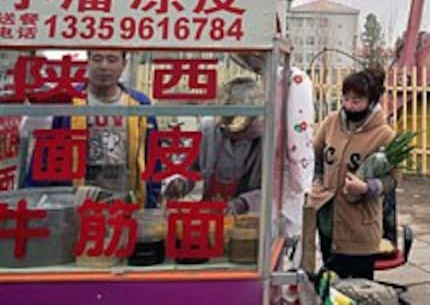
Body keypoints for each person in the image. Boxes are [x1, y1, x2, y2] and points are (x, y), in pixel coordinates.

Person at [162, 71, 314, 234]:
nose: (230, 134)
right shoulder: (208, 130)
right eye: (226, 129)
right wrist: (178, 182)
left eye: (238, 130)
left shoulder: (271, 139)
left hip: (251, 225)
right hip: (209, 219)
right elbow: (188, 168)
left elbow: (276, 190)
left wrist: (243, 203)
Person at [22, 50, 160, 207]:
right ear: (87, 62)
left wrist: (152, 202)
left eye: (112, 59)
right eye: (97, 59)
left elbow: (152, 156)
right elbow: (44, 155)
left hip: (124, 204)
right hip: (74, 205)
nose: (104, 66)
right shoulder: (67, 100)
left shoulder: (139, 104)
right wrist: (32, 202)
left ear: (124, 64)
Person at [307, 68, 397, 280]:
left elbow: (393, 179)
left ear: (371, 101)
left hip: (360, 226)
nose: (349, 106)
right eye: (346, 99)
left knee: (357, 288)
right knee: (330, 283)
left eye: (356, 101)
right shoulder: (331, 122)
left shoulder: (384, 135)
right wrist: (319, 182)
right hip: (328, 219)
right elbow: (315, 155)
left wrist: (366, 188)